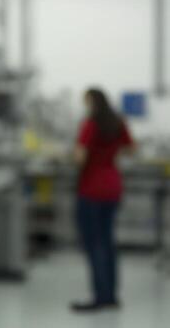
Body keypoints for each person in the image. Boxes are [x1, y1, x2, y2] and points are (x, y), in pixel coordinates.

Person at [71, 88, 135, 312]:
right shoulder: (118, 122)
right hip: (112, 186)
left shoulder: (90, 124)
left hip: (91, 189)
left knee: (94, 245)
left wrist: (78, 157)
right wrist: (110, 155)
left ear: (91, 102)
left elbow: (80, 157)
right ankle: (111, 295)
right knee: (107, 243)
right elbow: (131, 149)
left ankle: (99, 296)